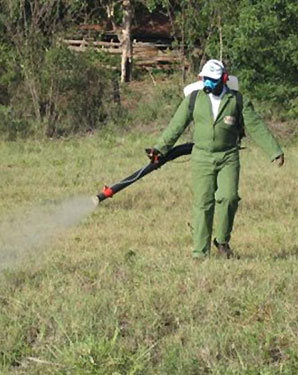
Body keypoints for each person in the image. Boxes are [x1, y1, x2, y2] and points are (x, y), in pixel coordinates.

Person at [147, 59, 284, 259]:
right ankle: (200, 253)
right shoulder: (194, 99)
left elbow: (256, 125)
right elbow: (176, 126)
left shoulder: (236, 100)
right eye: (205, 79)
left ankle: (221, 241)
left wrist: (275, 151)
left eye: (212, 80)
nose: (208, 84)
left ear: (223, 79)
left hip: (228, 156)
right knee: (203, 203)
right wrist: (159, 148)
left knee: (229, 198)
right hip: (201, 156)